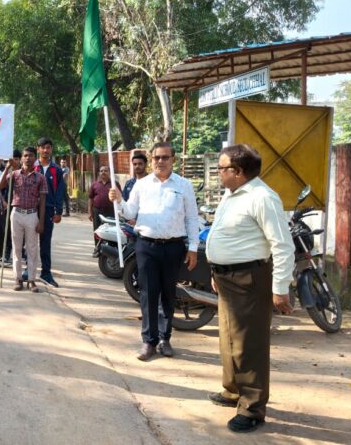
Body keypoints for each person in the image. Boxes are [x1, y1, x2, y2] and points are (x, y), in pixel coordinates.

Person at [205, 144, 295, 433]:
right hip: (227, 278)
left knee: (248, 344)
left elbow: (283, 245)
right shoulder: (232, 195)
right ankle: (233, 390)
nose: (218, 173)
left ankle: (253, 407)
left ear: (238, 171)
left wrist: (280, 288)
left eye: (221, 168)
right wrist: (216, 270)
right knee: (228, 339)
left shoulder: (262, 198)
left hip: (249, 279)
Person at [108, 142, 199, 361]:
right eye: (157, 157)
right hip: (146, 246)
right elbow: (130, 212)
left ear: (173, 160)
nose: (160, 161)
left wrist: (193, 248)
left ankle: (164, 338)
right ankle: (148, 341)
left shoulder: (184, 185)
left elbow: (191, 218)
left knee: (168, 293)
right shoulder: (142, 185)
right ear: (152, 160)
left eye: (165, 157)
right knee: (148, 293)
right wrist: (119, 201)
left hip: (174, 247)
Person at [0, 147, 46, 292]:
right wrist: (7, 168)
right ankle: (18, 278)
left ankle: (31, 280)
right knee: (17, 247)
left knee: (32, 248)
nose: (28, 158)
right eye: (25, 156)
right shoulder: (14, 175)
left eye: (31, 155)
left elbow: (43, 201)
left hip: (32, 214)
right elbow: (0, 185)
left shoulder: (40, 177)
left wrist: (41, 221)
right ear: (21, 158)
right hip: (17, 214)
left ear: (35, 158)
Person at [34, 137, 65, 287]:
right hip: (31, 209)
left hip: (48, 210)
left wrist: (58, 211)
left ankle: (46, 273)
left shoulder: (56, 170)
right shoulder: (32, 167)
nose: (46, 150)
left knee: (45, 243)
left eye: (48, 147)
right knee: (29, 242)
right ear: (38, 149)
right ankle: (28, 271)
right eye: (43, 147)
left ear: (51, 149)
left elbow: (59, 191)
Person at [89, 166, 121, 256]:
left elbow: (120, 197)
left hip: (111, 212)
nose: (103, 172)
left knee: (110, 231)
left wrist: (119, 212)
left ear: (109, 172)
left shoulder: (115, 184)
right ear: (99, 173)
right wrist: (90, 212)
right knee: (97, 231)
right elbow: (90, 198)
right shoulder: (95, 184)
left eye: (105, 171)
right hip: (97, 211)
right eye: (101, 171)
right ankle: (97, 249)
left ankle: (109, 250)